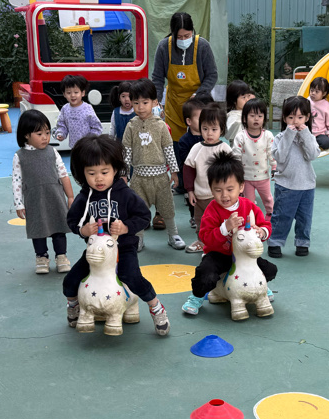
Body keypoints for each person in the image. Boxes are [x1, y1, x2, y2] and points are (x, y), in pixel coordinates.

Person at [63, 135, 170, 336]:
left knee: (131, 276)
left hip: (124, 248)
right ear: (82, 173)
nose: (98, 178)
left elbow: (144, 216)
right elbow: (72, 220)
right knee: (71, 280)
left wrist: (126, 227)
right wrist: (83, 230)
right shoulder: (85, 196)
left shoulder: (125, 194)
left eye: (104, 172)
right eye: (91, 173)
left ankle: (156, 307)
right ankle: (74, 305)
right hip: (96, 252)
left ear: (115, 169)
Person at [181, 150, 277, 316]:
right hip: (218, 254)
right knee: (205, 274)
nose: (224, 195)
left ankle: (260, 287)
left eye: (230, 189)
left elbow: (265, 225)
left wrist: (261, 232)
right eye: (218, 190)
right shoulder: (212, 209)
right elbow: (205, 237)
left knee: (269, 270)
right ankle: (197, 297)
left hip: (244, 256)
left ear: (241, 187)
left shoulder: (249, 206)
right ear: (211, 189)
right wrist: (224, 228)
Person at [122, 79, 184, 250]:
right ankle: (138, 238)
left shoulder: (161, 126)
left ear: (155, 102)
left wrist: (174, 172)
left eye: (145, 102)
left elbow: (168, 149)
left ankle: (173, 235)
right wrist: (124, 174)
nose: (140, 107)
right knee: (137, 209)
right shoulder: (131, 126)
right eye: (136, 103)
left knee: (167, 207)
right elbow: (126, 151)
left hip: (161, 177)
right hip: (138, 177)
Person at [12, 110, 73, 275]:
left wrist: (70, 196)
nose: (45, 137)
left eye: (47, 132)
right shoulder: (19, 156)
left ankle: (61, 256)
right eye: (39, 134)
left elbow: (63, 174)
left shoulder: (52, 152)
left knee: (59, 227)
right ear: (26, 135)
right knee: (38, 229)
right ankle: (41, 257)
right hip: (34, 200)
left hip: (55, 197)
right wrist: (19, 204)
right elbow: (17, 181)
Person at [150, 12, 218, 141]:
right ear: (173, 34)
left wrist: (199, 94)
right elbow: (157, 78)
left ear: (192, 31)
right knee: (174, 142)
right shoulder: (164, 47)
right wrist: (155, 102)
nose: (183, 40)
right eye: (179, 37)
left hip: (198, 106)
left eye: (187, 36)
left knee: (199, 142)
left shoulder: (202, 46)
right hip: (174, 105)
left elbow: (212, 75)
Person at [269, 95, 318, 258]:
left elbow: (312, 155)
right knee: (282, 216)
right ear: (284, 118)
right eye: (291, 117)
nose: (295, 121)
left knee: (305, 218)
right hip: (286, 185)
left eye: (300, 117)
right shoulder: (280, 138)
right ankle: (275, 242)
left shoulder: (309, 137)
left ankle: (302, 242)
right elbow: (280, 157)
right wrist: (289, 135)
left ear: (307, 117)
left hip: (307, 185)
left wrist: (305, 135)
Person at [182, 104, 231, 254]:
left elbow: (233, 173)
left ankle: (219, 245)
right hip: (200, 196)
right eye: (205, 128)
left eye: (214, 129)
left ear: (222, 129)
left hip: (218, 197)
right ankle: (202, 242)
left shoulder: (225, 149)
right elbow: (188, 169)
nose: (209, 133)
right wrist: (190, 191)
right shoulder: (197, 148)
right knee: (201, 221)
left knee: (219, 222)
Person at [54, 74, 102, 148]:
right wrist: (61, 134)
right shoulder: (65, 109)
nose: (72, 95)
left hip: (88, 147)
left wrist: (89, 140)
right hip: (74, 146)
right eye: (69, 93)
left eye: (76, 92)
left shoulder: (88, 108)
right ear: (64, 94)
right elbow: (62, 124)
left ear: (82, 93)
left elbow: (97, 127)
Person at [308, 77, 329, 150]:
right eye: (311, 90)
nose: (313, 93)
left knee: (326, 142)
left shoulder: (326, 106)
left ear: (324, 93)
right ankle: (311, 142)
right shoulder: (307, 101)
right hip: (307, 132)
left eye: (317, 92)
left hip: (319, 134)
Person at [224, 80, 255, 144]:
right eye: (243, 97)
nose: (247, 99)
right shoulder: (232, 115)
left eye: (248, 96)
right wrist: (240, 122)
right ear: (234, 100)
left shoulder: (249, 112)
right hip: (239, 148)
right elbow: (229, 135)